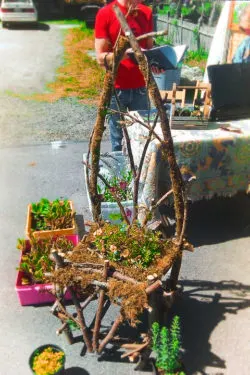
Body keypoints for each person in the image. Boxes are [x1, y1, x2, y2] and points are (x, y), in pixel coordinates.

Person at [95, 0, 164, 151]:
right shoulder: (106, 13)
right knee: (118, 141)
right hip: (116, 88)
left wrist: (156, 64)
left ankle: (139, 174)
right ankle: (119, 173)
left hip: (141, 87)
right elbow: (100, 58)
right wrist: (122, 55)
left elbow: (148, 50)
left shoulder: (146, 12)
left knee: (142, 138)